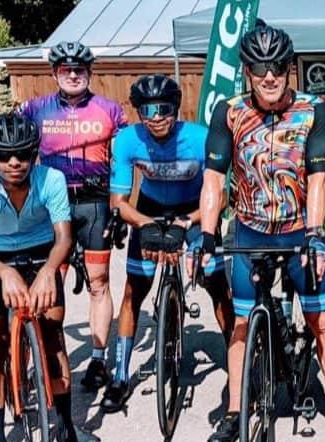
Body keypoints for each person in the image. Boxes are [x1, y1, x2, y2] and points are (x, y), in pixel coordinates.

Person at [197, 23, 325, 442]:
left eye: (279, 67)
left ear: (290, 69)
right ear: (247, 71)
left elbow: (318, 179)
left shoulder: (313, 109)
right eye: (260, 67)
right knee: (242, 325)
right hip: (248, 231)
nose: (270, 76)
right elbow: (214, 178)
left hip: (298, 230)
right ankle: (235, 410)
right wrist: (208, 234)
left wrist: (317, 235)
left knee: (321, 321)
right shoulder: (228, 112)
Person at [0, 114, 103, 442]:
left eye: (23, 155)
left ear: (34, 153)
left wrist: (47, 274)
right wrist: (6, 272)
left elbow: (64, 238)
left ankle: (66, 427)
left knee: (53, 334)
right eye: (3, 156)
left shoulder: (51, 179)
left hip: (43, 252)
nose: (14, 163)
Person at [100, 75, 233, 412]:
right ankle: (119, 376)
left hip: (195, 210)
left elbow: (222, 193)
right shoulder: (128, 139)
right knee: (134, 291)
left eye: (163, 109)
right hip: (149, 211)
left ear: (175, 109)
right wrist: (149, 225)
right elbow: (118, 202)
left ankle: (238, 363)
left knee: (218, 285)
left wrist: (189, 222)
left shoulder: (200, 139)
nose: (155, 117)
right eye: (146, 110)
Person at [18, 41, 127, 391]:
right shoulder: (34, 109)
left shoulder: (110, 110)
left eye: (80, 69)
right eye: (66, 69)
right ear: (54, 73)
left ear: (90, 73)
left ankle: (97, 358)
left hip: (94, 203)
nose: (74, 75)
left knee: (99, 283)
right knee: (49, 283)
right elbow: (9, 149)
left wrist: (121, 208)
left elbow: (125, 161)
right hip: (52, 206)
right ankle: (39, 362)